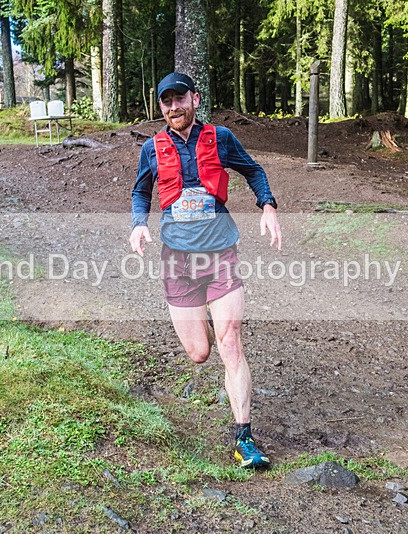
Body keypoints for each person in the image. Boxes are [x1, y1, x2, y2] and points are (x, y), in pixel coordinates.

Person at [129, 72, 282, 468]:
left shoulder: (221, 138)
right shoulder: (152, 147)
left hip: (221, 254)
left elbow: (254, 171)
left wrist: (267, 207)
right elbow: (141, 190)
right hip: (177, 261)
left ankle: (243, 438)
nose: (173, 107)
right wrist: (139, 223)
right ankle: (210, 321)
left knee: (231, 342)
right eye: (166, 102)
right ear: (160, 107)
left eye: (180, 99)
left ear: (195, 99)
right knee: (200, 353)